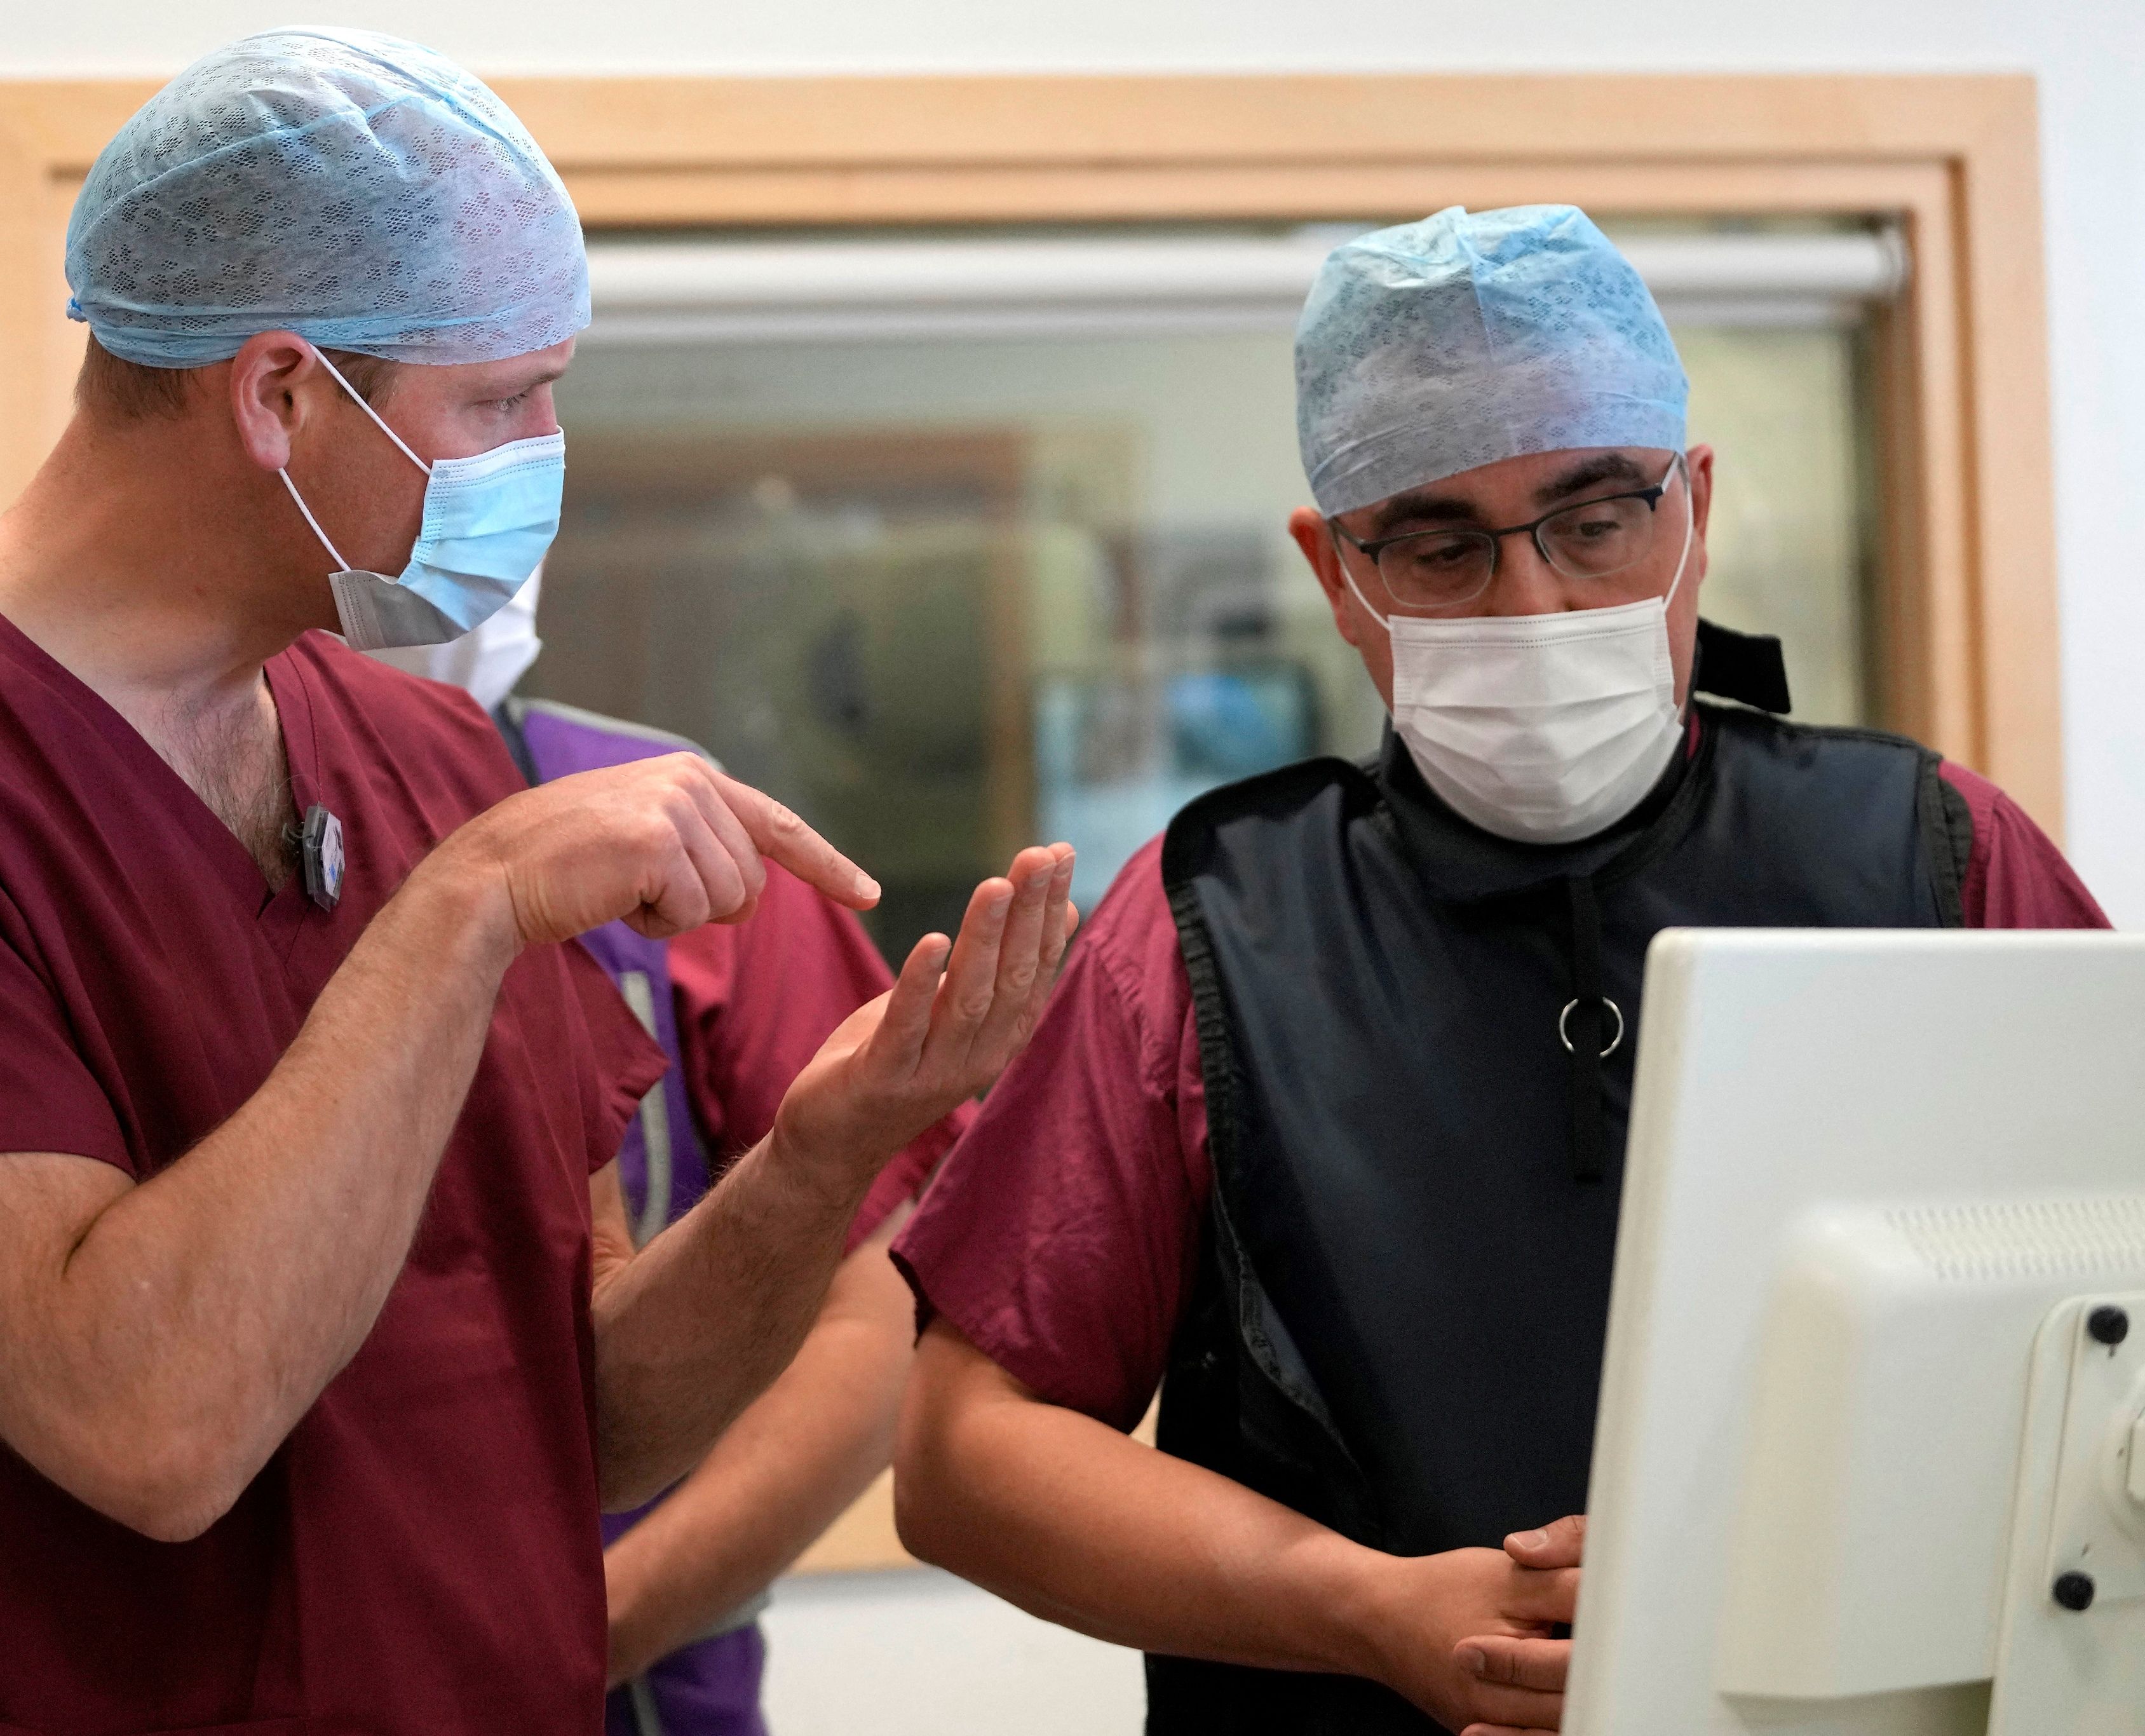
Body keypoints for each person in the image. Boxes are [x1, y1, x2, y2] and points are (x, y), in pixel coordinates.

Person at [0, 31, 1078, 1736]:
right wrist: (461, 911)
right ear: (278, 394)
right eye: (498, 401)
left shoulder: (413, 752)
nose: (547, 450)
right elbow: (149, 1426)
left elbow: (588, 1416)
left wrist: (815, 1159)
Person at [887, 204, 2107, 1736]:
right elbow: (962, 1454)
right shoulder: (1212, 925)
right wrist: (1359, 1607)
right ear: (1337, 574)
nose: (1533, 606)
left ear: (1693, 510)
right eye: (1439, 545)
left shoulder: (1929, 857)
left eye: (1594, 520)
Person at [406, 581, 961, 1735]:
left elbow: (886, 1298)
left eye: (528, 403)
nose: (522, 458)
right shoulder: (168, 822)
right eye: (486, 407)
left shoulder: (667, 829)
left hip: (632, 1684)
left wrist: (596, 1626)